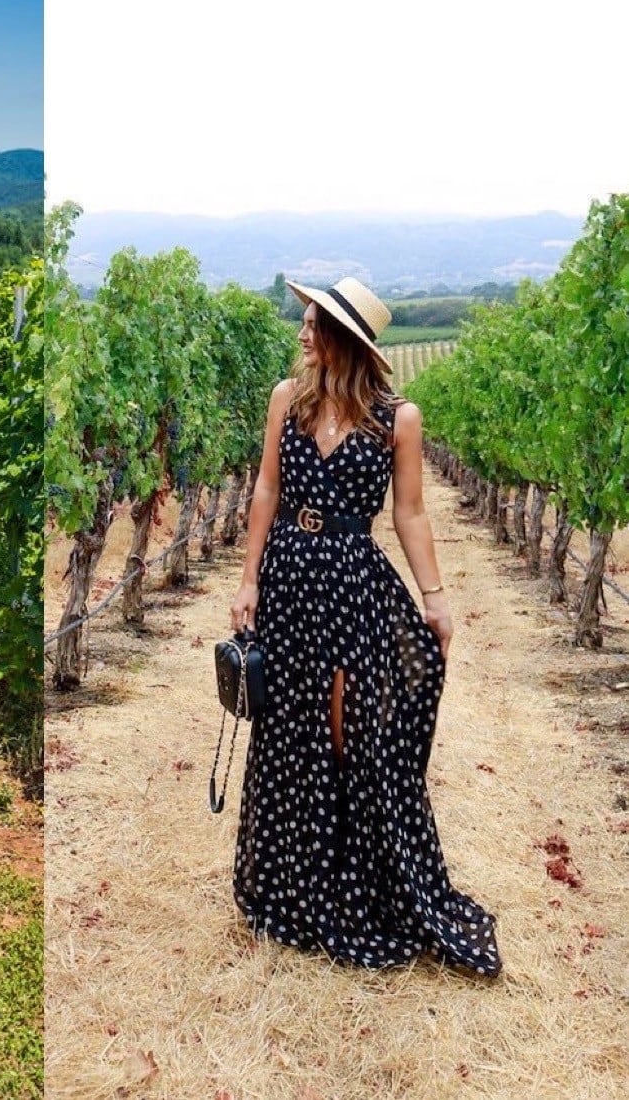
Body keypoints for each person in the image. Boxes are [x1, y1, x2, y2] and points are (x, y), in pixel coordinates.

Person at [228, 277, 501, 976]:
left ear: (343, 338)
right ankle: (295, 891)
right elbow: (267, 489)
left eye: (312, 323)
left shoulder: (396, 418)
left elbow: (410, 512)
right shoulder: (286, 401)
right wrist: (248, 578)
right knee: (289, 730)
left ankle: (359, 892)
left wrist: (434, 596)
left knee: (352, 734)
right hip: (290, 575)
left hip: (353, 582)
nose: (300, 334)